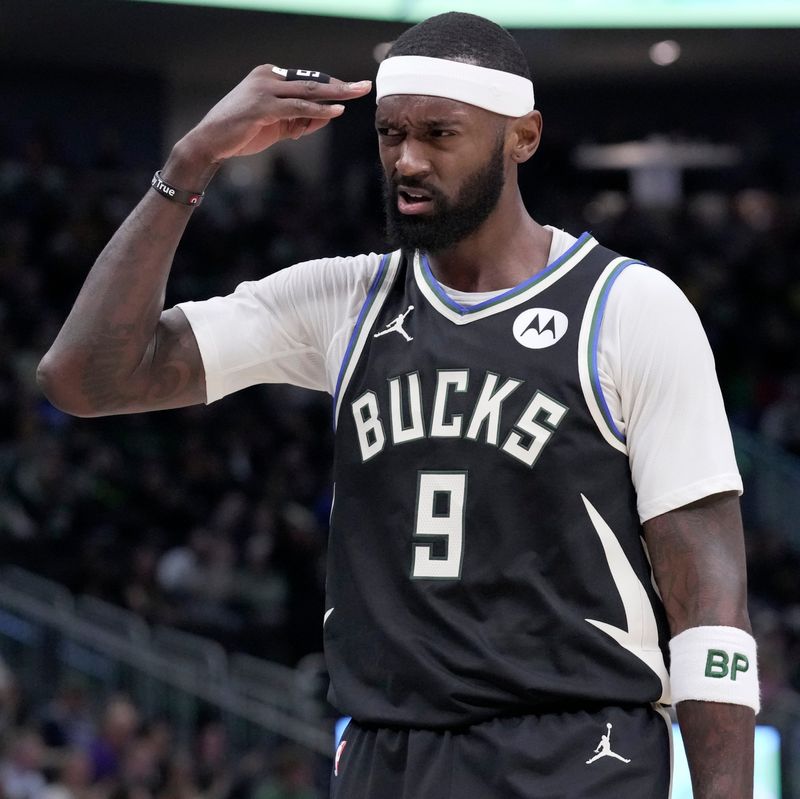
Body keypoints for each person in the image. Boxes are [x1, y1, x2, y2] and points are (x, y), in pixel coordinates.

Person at [37, 11, 758, 799]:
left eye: (439, 134)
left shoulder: (629, 307)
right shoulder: (346, 298)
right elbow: (85, 378)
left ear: (523, 136)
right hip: (388, 755)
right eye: (390, 135)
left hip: (576, 754)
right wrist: (189, 161)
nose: (407, 160)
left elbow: (709, 601)